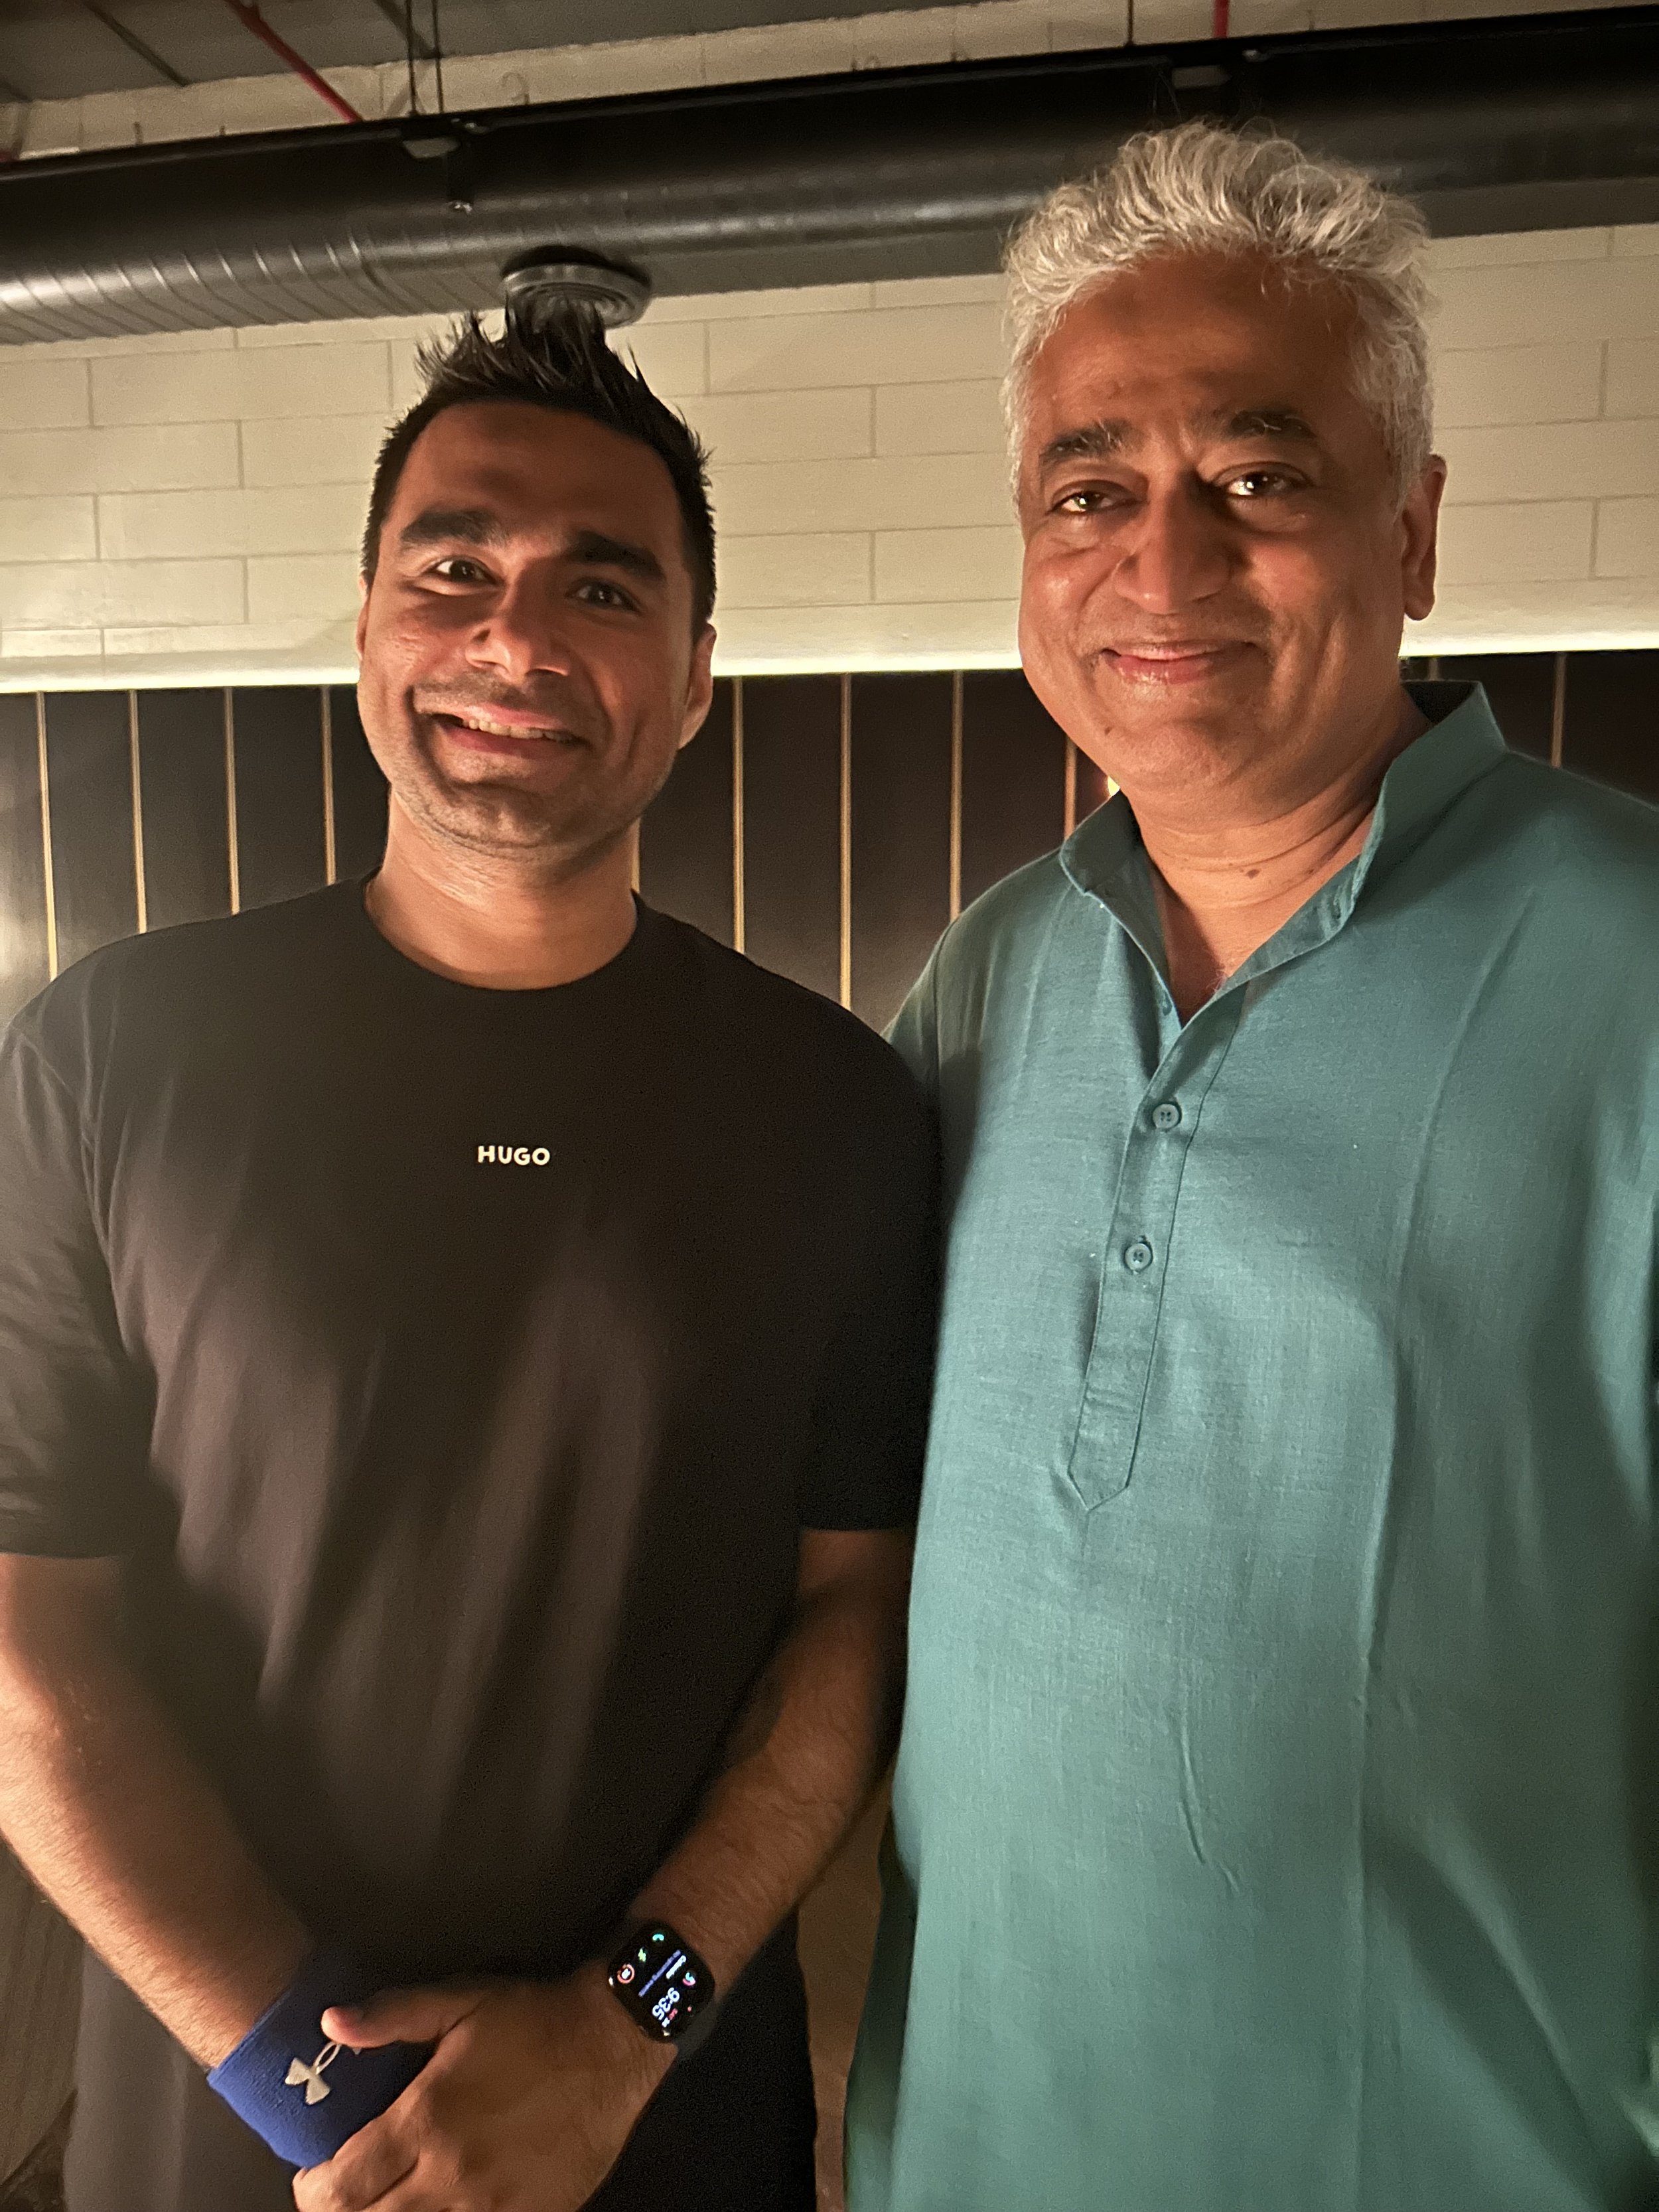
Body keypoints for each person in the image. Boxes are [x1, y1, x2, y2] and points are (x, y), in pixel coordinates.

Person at [0, 305, 935, 2212]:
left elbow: (853, 1616)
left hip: (662, 2125)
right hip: (226, 2133)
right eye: (453, 569)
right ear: (364, 627)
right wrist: (321, 2095)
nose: (516, 639)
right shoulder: (117, 1049)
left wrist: (621, 2031)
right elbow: (28, 1631)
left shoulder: (837, 1107)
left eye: (603, 587)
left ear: (694, 676)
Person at [846, 119, 1659, 2212]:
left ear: (1412, 529)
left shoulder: (1636, 955)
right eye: (1088, 489)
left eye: (1257, 478)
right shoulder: (987, 973)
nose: (1161, 562)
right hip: (976, 2150)